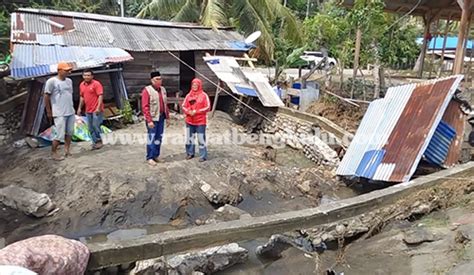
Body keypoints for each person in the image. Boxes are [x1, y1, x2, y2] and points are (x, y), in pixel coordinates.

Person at [44, 62, 74, 161]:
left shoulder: (69, 81)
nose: (68, 72)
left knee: (70, 132)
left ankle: (67, 149)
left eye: (68, 70)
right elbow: (46, 96)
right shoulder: (52, 81)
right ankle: (54, 152)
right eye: (65, 70)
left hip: (70, 110)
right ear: (59, 71)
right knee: (60, 134)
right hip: (59, 112)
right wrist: (49, 111)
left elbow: (70, 94)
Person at [141, 70, 169, 166]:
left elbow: (165, 104)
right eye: (157, 79)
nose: (159, 81)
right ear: (152, 80)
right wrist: (149, 120)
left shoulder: (163, 89)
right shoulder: (147, 91)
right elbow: (145, 107)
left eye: (160, 79)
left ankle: (156, 155)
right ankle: (150, 157)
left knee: (158, 138)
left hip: (161, 117)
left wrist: (168, 117)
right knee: (151, 138)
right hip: (152, 118)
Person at [182, 78, 210, 162]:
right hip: (190, 120)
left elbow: (208, 107)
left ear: (199, 86)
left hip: (200, 121)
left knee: (201, 138)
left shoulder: (204, 95)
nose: (194, 87)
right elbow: (183, 106)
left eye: (196, 85)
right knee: (189, 138)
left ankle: (203, 155)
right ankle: (190, 153)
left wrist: (196, 112)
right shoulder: (188, 95)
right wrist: (188, 111)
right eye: (193, 85)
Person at [77, 69, 104, 150]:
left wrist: (98, 107)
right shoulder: (82, 85)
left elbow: (100, 96)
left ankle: (100, 140)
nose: (87, 77)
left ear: (92, 76)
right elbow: (82, 97)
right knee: (90, 127)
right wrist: (79, 108)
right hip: (88, 110)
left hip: (96, 110)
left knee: (96, 125)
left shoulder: (96, 84)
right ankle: (95, 142)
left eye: (88, 75)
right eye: (85, 75)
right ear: (82, 76)